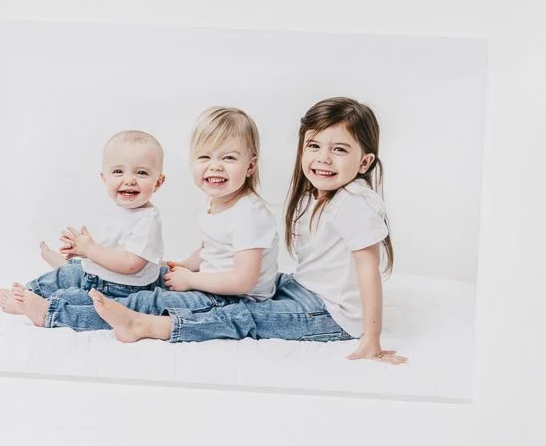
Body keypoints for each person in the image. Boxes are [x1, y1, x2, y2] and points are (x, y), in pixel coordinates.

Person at [90, 97, 405, 364]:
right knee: (254, 291)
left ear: (364, 163)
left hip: (332, 314)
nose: (322, 158)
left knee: (244, 317)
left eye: (339, 150)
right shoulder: (320, 194)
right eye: (314, 145)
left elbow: (368, 270)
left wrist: (372, 338)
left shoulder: (355, 203)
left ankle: (147, 326)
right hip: (306, 289)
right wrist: (189, 266)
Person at [12, 106, 278, 330]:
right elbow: (216, 248)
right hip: (216, 285)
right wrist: (183, 265)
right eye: (205, 156)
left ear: (250, 166)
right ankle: (61, 278)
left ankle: (54, 312)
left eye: (229, 157)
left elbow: (244, 281)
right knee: (161, 275)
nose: (215, 165)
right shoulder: (222, 204)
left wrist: (191, 280)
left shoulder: (248, 214)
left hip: (238, 300)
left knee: (147, 304)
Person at [0, 130, 165, 315]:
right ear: (104, 178)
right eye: (118, 171)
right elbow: (113, 249)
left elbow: (131, 264)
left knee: (74, 298)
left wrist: (90, 250)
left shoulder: (147, 221)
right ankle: (31, 289)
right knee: (64, 275)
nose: (129, 180)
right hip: (104, 276)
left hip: (121, 288)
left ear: (158, 182)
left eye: (142, 173)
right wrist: (82, 251)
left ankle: (26, 303)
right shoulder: (122, 208)